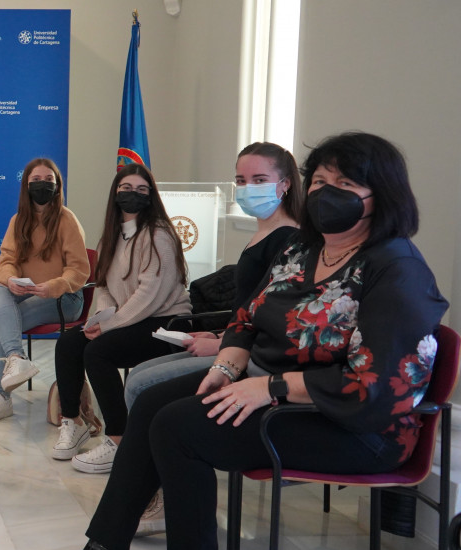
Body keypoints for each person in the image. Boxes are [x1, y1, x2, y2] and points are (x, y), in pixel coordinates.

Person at [82, 132, 449, 550]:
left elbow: (375, 386)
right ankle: (105, 542)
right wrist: (227, 366)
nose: (328, 194)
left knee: (177, 429)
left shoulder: (397, 270)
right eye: (321, 182)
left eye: (345, 185)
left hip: (356, 425)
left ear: (381, 195)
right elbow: (248, 315)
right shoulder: (304, 249)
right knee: (151, 403)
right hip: (279, 393)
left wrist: (269, 387)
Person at [124, 143, 303, 410]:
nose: (248, 187)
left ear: (285, 184)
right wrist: (216, 334)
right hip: (231, 338)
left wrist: (221, 345)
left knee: (142, 386)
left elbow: (271, 316)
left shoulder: (287, 238)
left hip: (249, 355)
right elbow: (246, 308)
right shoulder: (263, 232)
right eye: (241, 180)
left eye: (259, 180)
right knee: (138, 373)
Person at [52, 163, 191, 472]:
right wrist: (99, 319)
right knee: (68, 343)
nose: (133, 195)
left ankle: (119, 438)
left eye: (142, 190)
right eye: (126, 189)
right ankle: (73, 421)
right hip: (130, 320)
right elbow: (104, 287)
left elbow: (149, 294)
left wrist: (108, 326)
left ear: (151, 196)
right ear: (115, 194)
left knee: (98, 351)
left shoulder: (160, 236)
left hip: (165, 324)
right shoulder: (111, 237)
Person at [0, 158, 90, 422]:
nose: (42, 185)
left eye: (48, 180)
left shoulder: (67, 220)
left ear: (58, 186)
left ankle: (1, 395)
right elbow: (6, 262)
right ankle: (16, 357)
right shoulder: (18, 220)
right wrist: (11, 279)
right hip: (27, 293)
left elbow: (79, 270)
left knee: (6, 323)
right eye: (36, 180)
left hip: (64, 298)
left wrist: (53, 285)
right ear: (26, 185)